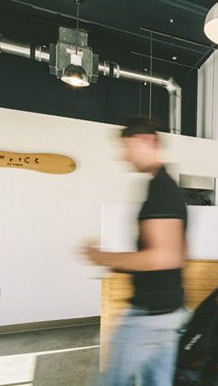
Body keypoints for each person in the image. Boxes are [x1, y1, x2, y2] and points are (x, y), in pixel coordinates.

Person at [82, 117, 191, 385]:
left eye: (127, 146)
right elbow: (182, 253)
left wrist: (103, 258)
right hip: (166, 313)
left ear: (146, 141)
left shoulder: (161, 190)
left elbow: (166, 256)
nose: (124, 156)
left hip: (150, 317)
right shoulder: (165, 187)